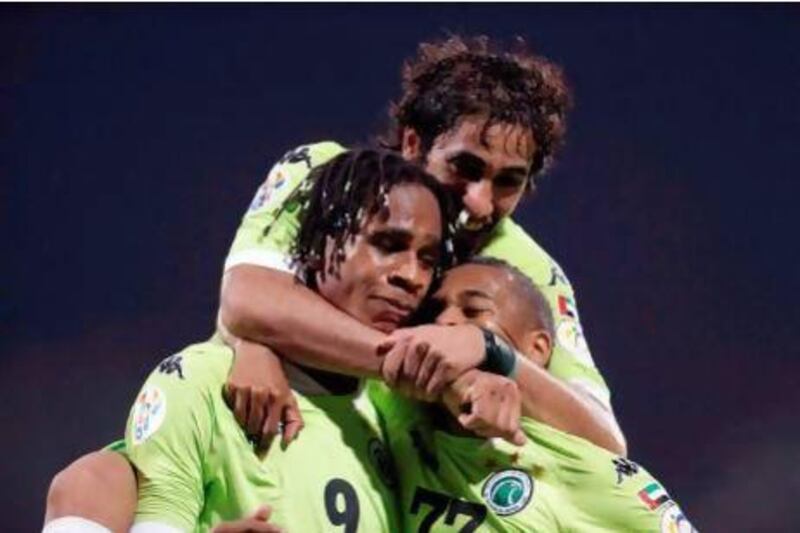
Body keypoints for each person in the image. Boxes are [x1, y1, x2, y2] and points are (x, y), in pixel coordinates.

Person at [44, 34, 625, 530]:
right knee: (96, 482)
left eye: (508, 183)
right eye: (465, 168)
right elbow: (248, 300)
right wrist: (417, 365)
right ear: (414, 144)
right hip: (280, 429)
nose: (477, 203)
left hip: (412, 482)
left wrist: (491, 354)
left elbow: (605, 440)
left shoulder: (527, 271)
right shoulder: (335, 182)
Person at [71, 149, 452, 533]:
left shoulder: (393, 417)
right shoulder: (202, 382)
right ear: (320, 246)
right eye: (388, 244)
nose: (412, 276)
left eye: (428, 260)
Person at [375, 257, 695, 532]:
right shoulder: (400, 416)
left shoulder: (578, 470)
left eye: (473, 311)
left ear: (537, 348)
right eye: (433, 312)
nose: (445, 321)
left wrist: (488, 351)